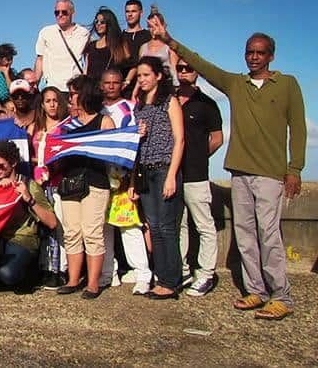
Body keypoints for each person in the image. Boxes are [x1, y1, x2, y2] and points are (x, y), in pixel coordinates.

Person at [148, 18, 305, 320]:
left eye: (260, 52)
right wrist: (169, 40)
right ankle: (255, 291)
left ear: (271, 55)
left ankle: (281, 295)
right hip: (240, 172)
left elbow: (298, 128)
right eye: (250, 52)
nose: (254, 57)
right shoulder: (236, 84)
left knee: (268, 234)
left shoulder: (287, 85)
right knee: (244, 235)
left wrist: (294, 168)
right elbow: (201, 64)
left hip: (271, 173)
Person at [128, 56, 185, 301]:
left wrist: (172, 175)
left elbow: (179, 139)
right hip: (145, 170)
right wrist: (133, 181)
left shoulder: (169, 101)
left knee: (166, 226)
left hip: (164, 168)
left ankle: (170, 281)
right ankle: (161, 278)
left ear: (158, 76)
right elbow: (135, 146)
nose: (141, 80)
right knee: (154, 226)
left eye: (146, 75)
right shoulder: (139, 106)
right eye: (139, 76)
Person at [56, 76, 115, 299]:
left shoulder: (103, 121)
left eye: (72, 93)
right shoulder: (67, 125)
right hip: (70, 182)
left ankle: (92, 283)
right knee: (72, 232)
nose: (69, 98)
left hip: (95, 182)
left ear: (84, 94)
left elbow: (111, 149)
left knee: (92, 232)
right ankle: (73, 280)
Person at [99, 69, 153, 295]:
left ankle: (143, 274)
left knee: (129, 226)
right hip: (100, 175)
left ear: (122, 84)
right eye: (107, 83)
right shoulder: (96, 109)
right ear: (101, 85)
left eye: (115, 83)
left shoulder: (131, 108)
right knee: (102, 228)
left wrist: (132, 180)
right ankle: (107, 273)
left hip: (123, 175)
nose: (111, 86)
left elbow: (136, 144)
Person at [175, 60, 223, 297]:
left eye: (188, 68)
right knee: (179, 225)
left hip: (196, 174)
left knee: (204, 225)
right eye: (180, 68)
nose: (184, 72)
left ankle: (205, 273)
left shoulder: (207, 104)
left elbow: (217, 139)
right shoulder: (170, 100)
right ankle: (182, 271)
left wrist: (198, 156)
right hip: (173, 174)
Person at [0, 140, 57, 289]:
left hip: (21, 239)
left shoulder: (29, 185)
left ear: (13, 163)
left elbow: (52, 222)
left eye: (1, 165)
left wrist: (29, 199)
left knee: (7, 274)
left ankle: (28, 273)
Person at [32, 86, 69, 290]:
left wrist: (53, 163)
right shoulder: (35, 128)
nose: (52, 104)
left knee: (61, 226)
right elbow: (28, 154)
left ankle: (61, 269)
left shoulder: (66, 127)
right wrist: (39, 163)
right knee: (45, 227)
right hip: (41, 184)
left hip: (60, 182)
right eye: (48, 101)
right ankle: (46, 267)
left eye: (55, 100)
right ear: (42, 104)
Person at [33, 0, 90, 94]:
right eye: (56, 12)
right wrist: (35, 84)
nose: (60, 15)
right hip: (52, 89)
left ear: (72, 13)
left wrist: (85, 82)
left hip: (75, 89)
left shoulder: (84, 33)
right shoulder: (46, 32)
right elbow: (40, 59)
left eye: (64, 12)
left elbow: (88, 59)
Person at [84, 7, 131, 83]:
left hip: (110, 88)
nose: (98, 24)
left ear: (109, 23)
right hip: (91, 89)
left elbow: (131, 65)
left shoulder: (119, 43)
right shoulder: (91, 45)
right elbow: (86, 69)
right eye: (96, 21)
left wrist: (127, 81)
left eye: (102, 22)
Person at [138, 6, 179, 86]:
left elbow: (174, 70)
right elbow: (140, 71)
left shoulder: (169, 47)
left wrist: (176, 87)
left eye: (156, 25)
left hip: (164, 86)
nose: (153, 29)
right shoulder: (143, 47)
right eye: (150, 26)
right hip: (145, 88)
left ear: (163, 25)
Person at [122, 0, 151, 91]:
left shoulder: (148, 36)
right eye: (127, 11)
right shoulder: (119, 36)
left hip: (142, 86)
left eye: (133, 11)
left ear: (141, 13)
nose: (130, 15)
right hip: (121, 86)